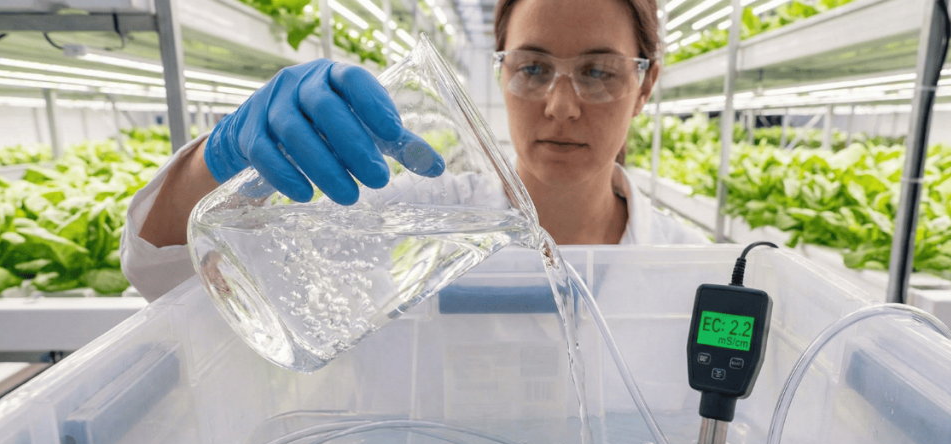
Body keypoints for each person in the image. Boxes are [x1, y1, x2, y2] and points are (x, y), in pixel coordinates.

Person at [121, 0, 707, 302]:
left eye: (598, 73)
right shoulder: (413, 218)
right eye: (532, 68)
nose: (560, 106)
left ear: (645, 86)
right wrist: (220, 161)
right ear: (501, 73)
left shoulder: (696, 270)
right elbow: (168, 277)